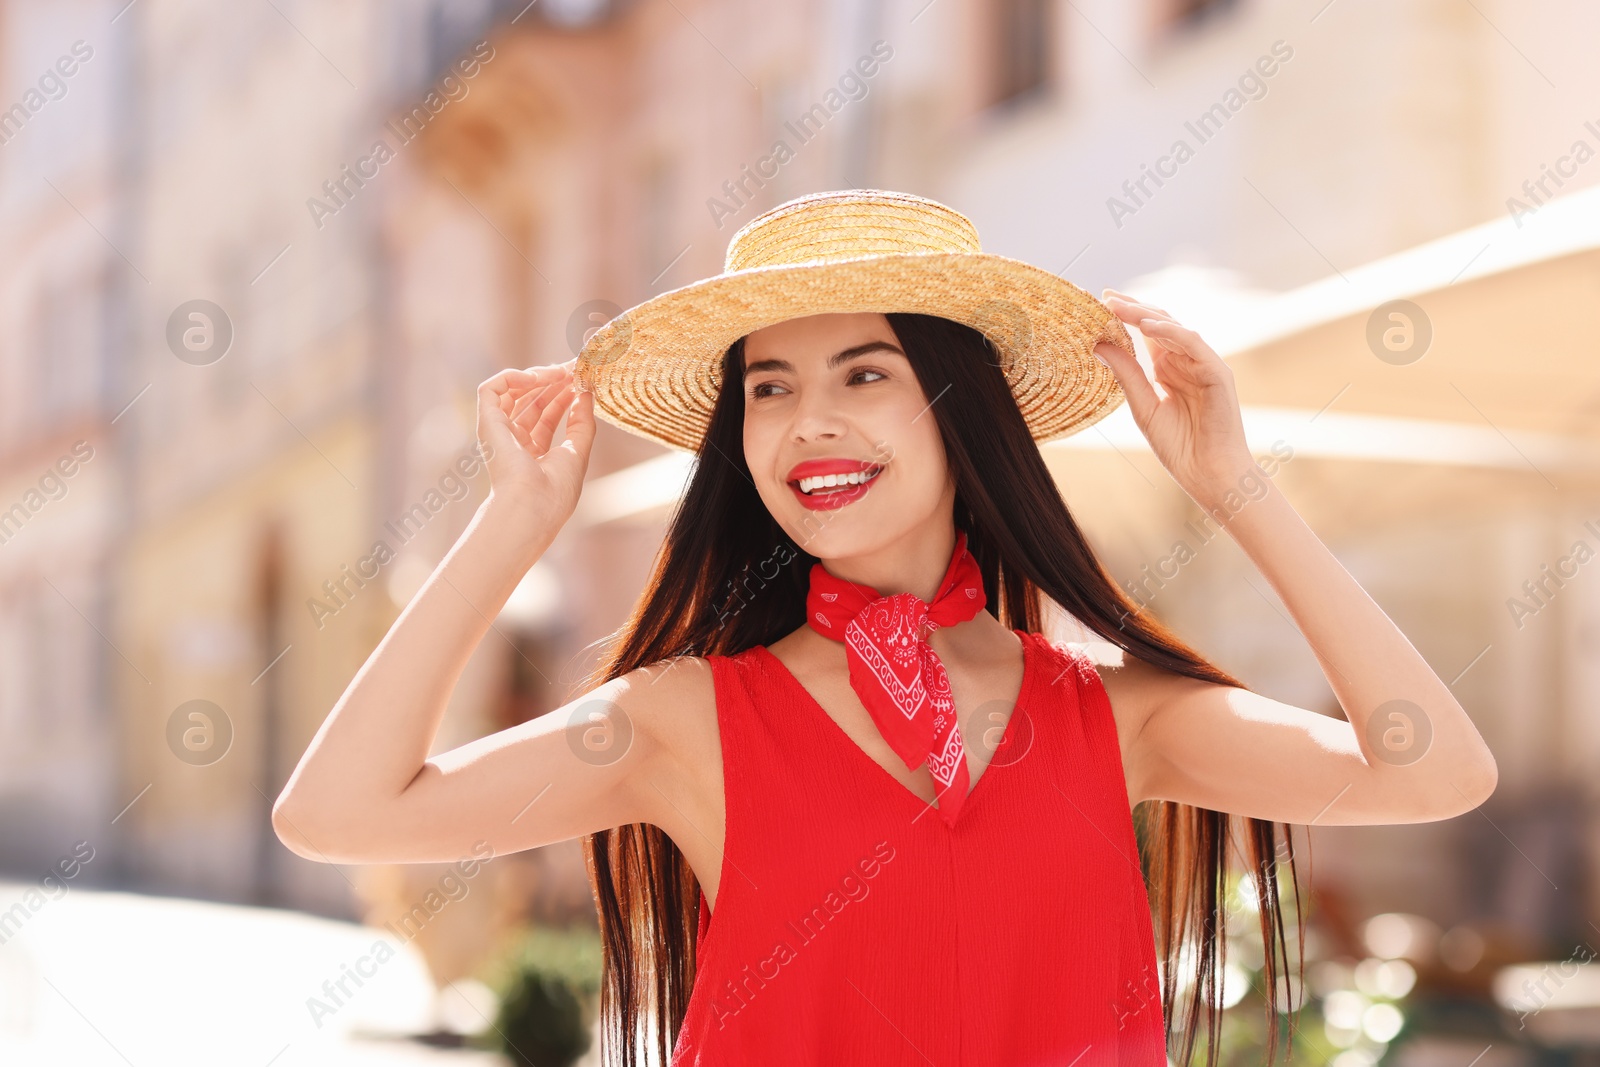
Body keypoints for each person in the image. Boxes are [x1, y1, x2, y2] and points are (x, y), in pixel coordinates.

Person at [272, 189, 1499, 1066]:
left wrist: (1236, 488)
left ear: (962, 418)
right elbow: (337, 814)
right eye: (769, 388)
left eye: (863, 374)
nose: (807, 423)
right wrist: (511, 525)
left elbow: (1434, 768)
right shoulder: (685, 716)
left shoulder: (1115, 714)